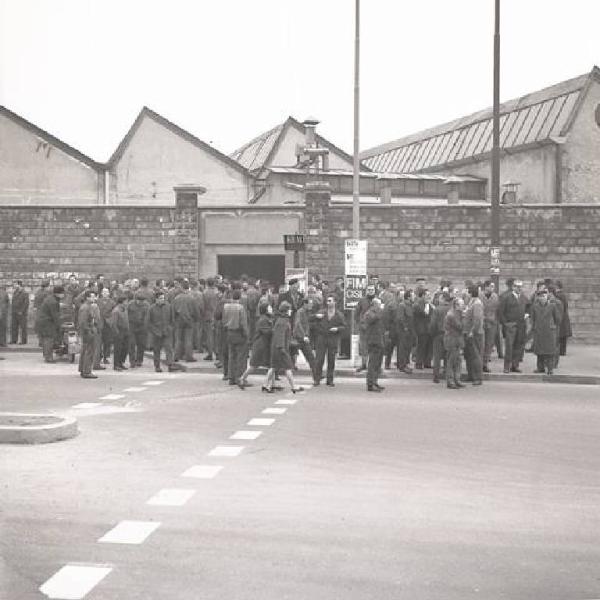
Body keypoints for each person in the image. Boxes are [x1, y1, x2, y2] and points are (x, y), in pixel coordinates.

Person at [264, 301, 303, 393]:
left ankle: (265, 385)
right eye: (289, 309)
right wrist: (282, 348)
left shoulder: (281, 320)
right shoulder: (283, 322)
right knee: (288, 367)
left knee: (273, 367)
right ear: (286, 310)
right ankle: (293, 386)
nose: (291, 311)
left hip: (277, 347)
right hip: (280, 348)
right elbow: (280, 336)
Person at [313, 294, 346, 387]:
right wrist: (318, 328)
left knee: (331, 360)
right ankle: (317, 379)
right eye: (327, 301)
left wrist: (337, 329)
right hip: (322, 337)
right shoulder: (322, 312)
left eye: (330, 301)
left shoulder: (339, 314)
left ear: (335, 302)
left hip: (332, 338)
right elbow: (313, 323)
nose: (328, 303)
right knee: (319, 359)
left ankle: (330, 379)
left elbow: (344, 326)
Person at [240, 303, 273, 388]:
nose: (271, 309)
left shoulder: (266, 318)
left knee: (271, 365)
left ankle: (272, 384)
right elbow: (266, 332)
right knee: (254, 365)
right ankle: (242, 379)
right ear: (265, 309)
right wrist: (275, 330)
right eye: (269, 307)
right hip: (260, 345)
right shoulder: (263, 320)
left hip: (264, 345)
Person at [498, 278, 528, 374]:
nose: (519, 288)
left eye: (520, 287)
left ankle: (515, 365)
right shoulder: (506, 297)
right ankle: (506, 366)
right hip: (510, 325)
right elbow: (500, 312)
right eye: (517, 286)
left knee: (518, 346)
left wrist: (527, 314)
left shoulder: (523, 297)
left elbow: (529, 306)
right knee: (509, 346)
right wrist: (505, 324)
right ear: (513, 287)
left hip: (521, 325)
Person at [222, 289, 249, 386]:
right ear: (240, 297)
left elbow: (224, 321)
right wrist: (247, 335)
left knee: (231, 355)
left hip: (229, 332)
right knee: (241, 357)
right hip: (239, 333)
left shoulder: (226, 306)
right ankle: (240, 377)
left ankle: (231, 377)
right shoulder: (240, 308)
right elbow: (243, 323)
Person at [146, 291, 177, 373]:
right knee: (156, 350)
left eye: (163, 298)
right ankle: (157, 366)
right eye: (160, 298)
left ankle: (170, 365)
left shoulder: (168, 306)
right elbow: (148, 322)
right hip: (156, 333)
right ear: (156, 299)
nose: (162, 300)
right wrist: (154, 331)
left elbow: (172, 319)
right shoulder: (151, 308)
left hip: (167, 331)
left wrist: (171, 328)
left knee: (169, 348)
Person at [531, 289, 560, 375]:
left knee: (550, 351)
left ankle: (550, 369)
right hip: (539, 331)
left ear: (547, 297)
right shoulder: (535, 307)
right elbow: (533, 319)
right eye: (540, 296)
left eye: (543, 296)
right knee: (539, 351)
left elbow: (557, 319)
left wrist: (553, 326)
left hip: (549, 331)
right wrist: (534, 327)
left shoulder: (552, 306)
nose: (542, 298)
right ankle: (540, 368)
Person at [37, 285, 65, 363]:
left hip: (43, 321)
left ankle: (46, 355)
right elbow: (55, 316)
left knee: (46, 339)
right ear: (57, 293)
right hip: (47, 322)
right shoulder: (53, 302)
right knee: (49, 339)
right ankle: (49, 358)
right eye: (62, 293)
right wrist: (60, 325)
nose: (63, 295)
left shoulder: (51, 298)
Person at [463, 284, 484, 385]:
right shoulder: (471, 302)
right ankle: (470, 375)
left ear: (470, 293)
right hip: (468, 332)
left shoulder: (477, 304)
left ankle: (478, 377)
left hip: (475, 333)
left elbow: (477, 319)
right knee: (469, 355)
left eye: (467, 291)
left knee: (476, 355)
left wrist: (472, 331)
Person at [172, 281, 198, 362]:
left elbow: (173, 310)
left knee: (178, 339)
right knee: (188, 339)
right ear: (188, 288)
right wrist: (195, 319)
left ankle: (176, 356)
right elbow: (195, 311)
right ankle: (189, 356)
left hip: (179, 320)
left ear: (182, 288)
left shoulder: (176, 298)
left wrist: (173, 320)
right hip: (189, 320)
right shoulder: (192, 298)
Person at [292, 297, 317, 382]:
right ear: (305, 304)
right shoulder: (300, 312)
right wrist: (304, 336)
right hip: (299, 338)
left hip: (303, 338)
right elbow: (298, 324)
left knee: (311, 358)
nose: (311, 305)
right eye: (310, 303)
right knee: (289, 358)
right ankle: (275, 372)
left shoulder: (307, 312)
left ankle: (316, 377)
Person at [443, 297, 466, 389]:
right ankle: (450, 380)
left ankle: (457, 379)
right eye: (462, 304)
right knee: (451, 361)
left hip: (457, 339)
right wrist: (464, 316)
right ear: (456, 305)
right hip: (452, 340)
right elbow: (460, 326)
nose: (463, 306)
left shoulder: (457, 313)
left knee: (458, 361)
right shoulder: (451, 315)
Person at [429, 292, 451, 384]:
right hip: (449, 334)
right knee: (448, 356)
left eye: (440, 298)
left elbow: (433, 324)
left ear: (444, 299)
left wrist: (432, 333)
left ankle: (436, 376)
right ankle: (447, 374)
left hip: (438, 334)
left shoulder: (437, 310)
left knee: (437, 356)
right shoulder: (451, 309)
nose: (438, 299)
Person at [364, 297, 385, 392]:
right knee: (372, 363)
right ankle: (370, 383)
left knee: (377, 364)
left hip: (379, 340)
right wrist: (380, 311)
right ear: (375, 305)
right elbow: (372, 319)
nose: (380, 306)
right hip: (373, 341)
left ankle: (375, 381)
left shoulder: (378, 313)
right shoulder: (369, 313)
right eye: (379, 305)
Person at [77, 290, 98, 379]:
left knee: (85, 351)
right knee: (89, 351)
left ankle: (83, 369)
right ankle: (87, 371)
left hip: (87, 331)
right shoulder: (86, 308)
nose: (94, 298)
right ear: (87, 297)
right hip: (88, 332)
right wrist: (89, 331)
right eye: (92, 296)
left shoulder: (87, 307)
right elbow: (83, 322)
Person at [354, 284, 376, 372]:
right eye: (369, 290)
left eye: (372, 290)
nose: (370, 291)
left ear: (374, 291)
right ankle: (363, 364)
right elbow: (356, 313)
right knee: (364, 347)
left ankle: (374, 365)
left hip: (374, 329)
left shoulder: (377, 301)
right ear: (366, 291)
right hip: (364, 328)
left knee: (374, 347)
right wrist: (360, 324)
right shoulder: (362, 301)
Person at [395, 290, 415, 374]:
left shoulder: (410, 305)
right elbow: (400, 318)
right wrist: (405, 327)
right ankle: (402, 366)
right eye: (413, 296)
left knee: (407, 348)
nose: (414, 297)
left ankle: (405, 364)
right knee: (402, 348)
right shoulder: (402, 305)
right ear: (409, 297)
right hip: (403, 331)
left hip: (409, 330)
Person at [481, 280, 499, 372]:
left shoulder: (495, 297)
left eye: (493, 287)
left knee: (489, 344)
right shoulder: (480, 296)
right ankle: (479, 363)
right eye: (491, 286)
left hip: (492, 323)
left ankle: (485, 363)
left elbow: (497, 309)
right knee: (481, 344)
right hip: (482, 322)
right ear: (486, 287)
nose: (493, 288)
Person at [127, 291, 149, 368]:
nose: (141, 302)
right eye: (139, 301)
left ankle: (139, 360)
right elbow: (126, 314)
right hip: (132, 326)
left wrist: (146, 326)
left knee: (141, 344)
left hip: (142, 327)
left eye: (142, 301)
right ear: (136, 300)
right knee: (131, 344)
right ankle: (132, 361)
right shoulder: (130, 304)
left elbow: (147, 316)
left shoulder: (146, 305)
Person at [110, 295, 130, 371]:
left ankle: (121, 362)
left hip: (125, 331)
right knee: (118, 349)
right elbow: (113, 324)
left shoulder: (125, 309)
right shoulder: (116, 311)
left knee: (125, 348)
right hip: (119, 331)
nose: (127, 303)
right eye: (126, 301)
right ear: (121, 302)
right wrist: (117, 333)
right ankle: (116, 365)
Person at [97, 287, 115, 364]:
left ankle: (106, 357)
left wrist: (110, 320)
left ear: (108, 293)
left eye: (106, 292)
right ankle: (99, 356)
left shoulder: (112, 302)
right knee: (99, 341)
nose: (105, 293)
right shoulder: (97, 301)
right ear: (101, 293)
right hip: (99, 323)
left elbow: (114, 313)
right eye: (103, 292)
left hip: (108, 324)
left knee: (107, 342)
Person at [555, 280, 572, 356]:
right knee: (563, 335)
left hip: (561, 316)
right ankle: (562, 351)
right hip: (564, 316)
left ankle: (561, 351)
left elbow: (562, 306)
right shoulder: (563, 295)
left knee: (561, 334)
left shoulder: (559, 295)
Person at [10, 280, 29, 344]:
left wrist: (22, 311)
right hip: (14, 312)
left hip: (21, 313)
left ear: (19, 285)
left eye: (15, 284)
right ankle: (14, 340)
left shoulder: (24, 293)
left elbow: (26, 303)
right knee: (14, 326)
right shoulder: (15, 292)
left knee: (23, 327)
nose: (14, 285)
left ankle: (23, 341)